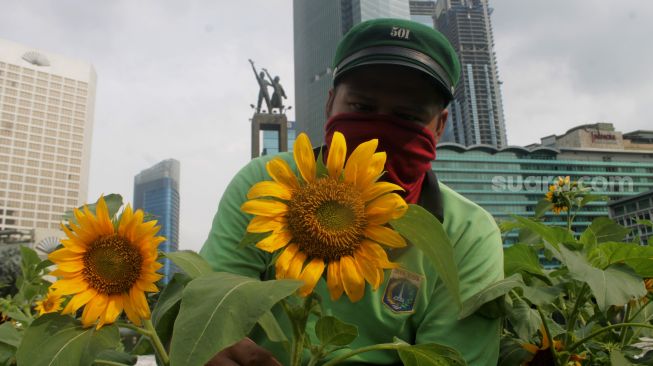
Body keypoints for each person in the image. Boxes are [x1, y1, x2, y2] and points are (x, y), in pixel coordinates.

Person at [201, 18, 504, 365]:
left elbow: (450, 359)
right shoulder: (270, 183)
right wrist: (213, 345)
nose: (379, 129)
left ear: (440, 124)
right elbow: (211, 303)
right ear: (330, 104)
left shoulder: (467, 234)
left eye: (406, 116)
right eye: (362, 108)